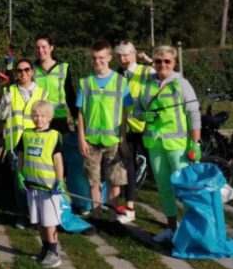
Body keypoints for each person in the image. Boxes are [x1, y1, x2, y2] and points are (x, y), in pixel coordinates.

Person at [135, 45, 201, 243]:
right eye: (158, 61)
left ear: (174, 63)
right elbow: (136, 110)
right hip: (155, 144)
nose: (162, 64)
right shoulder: (147, 84)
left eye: (167, 61)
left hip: (178, 146)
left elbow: (193, 113)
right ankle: (171, 228)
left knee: (185, 187)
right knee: (164, 187)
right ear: (153, 62)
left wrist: (195, 142)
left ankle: (192, 230)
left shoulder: (182, 84)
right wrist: (142, 115)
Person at [76, 40, 131, 225]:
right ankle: (97, 216)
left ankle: (113, 218)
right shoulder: (85, 83)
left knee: (115, 181)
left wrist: (123, 140)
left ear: (109, 58)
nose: (97, 61)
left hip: (113, 140)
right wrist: (81, 139)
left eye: (101, 58)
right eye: (94, 58)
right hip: (91, 141)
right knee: (93, 181)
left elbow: (125, 113)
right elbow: (80, 114)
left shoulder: (121, 82)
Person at [0, 58, 48, 228]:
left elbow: (47, 117)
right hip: (16, 144)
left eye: (27, 70)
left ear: (32, 72)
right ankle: (21, 215)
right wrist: (5, 103)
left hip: (37, 144)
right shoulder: (10, 91)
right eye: (19, 71)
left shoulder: (42, 93)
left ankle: (35, 215)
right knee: (19, 182)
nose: (23, 73)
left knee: (35, 180)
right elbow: (1, 116)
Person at [17, 100, 64, 268]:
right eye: (35, 115)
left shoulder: (54, 136)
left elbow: (58, 160)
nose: (39, 119)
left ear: (50, 118)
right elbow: (21, 155)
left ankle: (54, 252)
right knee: (39, 221)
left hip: (49, 188)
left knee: (49, 221)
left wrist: (59, 180)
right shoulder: (26, 134)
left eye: (43, 116)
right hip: (32, 186)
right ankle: (44, 249)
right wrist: (20, 173)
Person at [113, 40, 154, 224]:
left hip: (149, 127)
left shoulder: (146, 71)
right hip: (128, 128)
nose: (123, 58)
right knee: (128, 167)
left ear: (134, 53)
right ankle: (130, 207)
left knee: (159, 169)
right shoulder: (118, 76)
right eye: (119, 55)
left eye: (126, 54)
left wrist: (150, 60)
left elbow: (167, 74)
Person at [34, 34, 78, 134]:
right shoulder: (31, 69)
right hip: (39, 118)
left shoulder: (63, 68)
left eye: (44, 47)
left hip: (59, 117)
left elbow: (70, 95)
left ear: (51, 48)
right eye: (37, 48)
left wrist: (76, 118)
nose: (40, 51)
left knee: (60, 148)